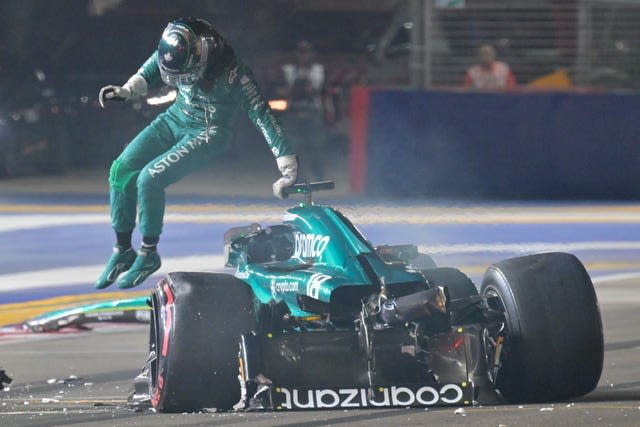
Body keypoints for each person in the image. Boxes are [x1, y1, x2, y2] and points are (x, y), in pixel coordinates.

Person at [95, 18, 297, 289]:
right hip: (175, 117)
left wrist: (286, 164)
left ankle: (148, 253)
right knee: (121, 169)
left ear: (205, 55)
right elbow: (157, 63)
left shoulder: (234, 74)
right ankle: (123, 250)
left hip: (209, 132)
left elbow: (262, 114)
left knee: (149, 179)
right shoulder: (182, 47)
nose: (181, 81)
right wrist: (129, 89)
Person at [279, 40, 333, 180]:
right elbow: (279, 91)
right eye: (301, 53)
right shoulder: (288, 70)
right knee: (294, 147)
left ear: (311, 54)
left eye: (306, 53)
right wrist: (291, 91)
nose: (304, 56)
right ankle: (296, 177)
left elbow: (325, 93)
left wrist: (329, 112)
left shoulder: (319, 71)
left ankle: (319, 176)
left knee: (317, 146)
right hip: (293, 113)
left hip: (313, 113)